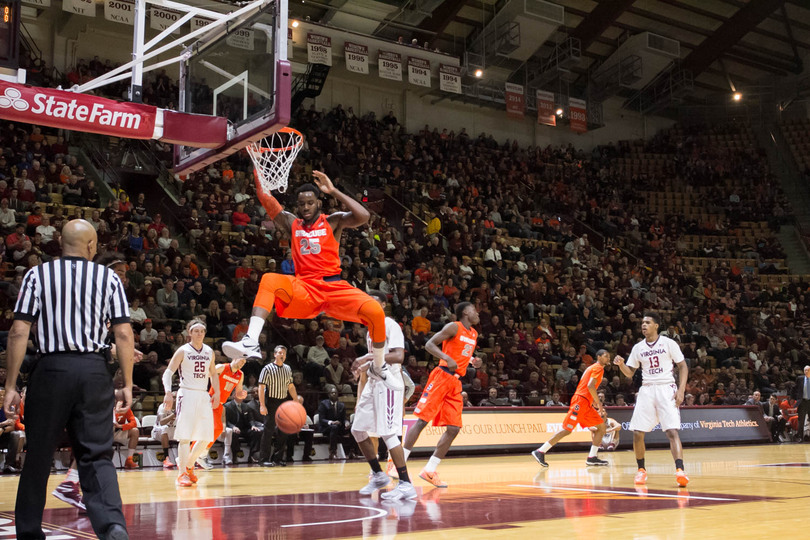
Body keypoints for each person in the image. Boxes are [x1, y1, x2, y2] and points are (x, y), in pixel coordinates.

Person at [3, 218, 134, 540]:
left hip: (50, 370)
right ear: (91, 246)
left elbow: (19, 330)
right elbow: (124, 333)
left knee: (38, 454)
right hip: (92, 372)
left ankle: (31, 532)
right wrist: (128, 383)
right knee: (96, 455)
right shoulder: (108, 278)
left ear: (61, 243)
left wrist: (10, 385)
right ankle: (112, 527)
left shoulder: (37, 274)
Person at [221, 171, 389, 381]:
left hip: (334, 286)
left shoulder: (333, 221)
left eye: (310, 203)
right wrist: (256, 168)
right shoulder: (293, 223)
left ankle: (379, 366)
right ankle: (250, 341)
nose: (306, 207)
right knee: (269, 280)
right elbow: (265, 197)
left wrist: (334, 190)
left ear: (319, 203)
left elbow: (363, 216)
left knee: (375, 310)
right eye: (302, 204)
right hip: (305, 289)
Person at [401, 302, 482, 488]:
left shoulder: (474, 334)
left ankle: (430, 470)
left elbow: (460, 352)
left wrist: (473, 361)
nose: (477, 312)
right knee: (422, 420)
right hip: (442, 376)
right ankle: (398, 464)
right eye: (474, 309)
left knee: (454, 428)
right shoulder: (454, 326)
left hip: (455, 382)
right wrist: (446, 358)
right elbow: (429, 344)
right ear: (464, 312)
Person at [351, 291, 416, 500]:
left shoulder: (390, 324)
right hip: (373, 381)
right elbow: (376, 357)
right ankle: (378, 475)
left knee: (389, 434)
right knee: (358, 429)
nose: (369, 306)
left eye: (373, 302)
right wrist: (362, 362)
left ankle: (406, 483)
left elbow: (398, 356)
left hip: (389, 382)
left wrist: (368, 359)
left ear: (383, 305)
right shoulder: (371, 330)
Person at [613, 312, 689, 487]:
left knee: (672, 431)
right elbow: (630, 374)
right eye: (642, 322)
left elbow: (683, 366)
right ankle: (641, 471)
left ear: (656, 325)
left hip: (666, 388)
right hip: (647, 390)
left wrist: (681, 390)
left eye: (647, 322)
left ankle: (680, 471)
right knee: (638, 432)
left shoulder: (669, 343)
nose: (643, 325)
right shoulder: (638, 348)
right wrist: (621, 365)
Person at [161, 319, 219, 487]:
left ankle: (188, 465)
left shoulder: (209, 351)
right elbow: (168, 373)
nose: (199, 333)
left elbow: (213, 374)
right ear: (190, 333)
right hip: (186, 394)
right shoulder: (183, 350)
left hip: (203, 395)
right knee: (185, 437)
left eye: (202, 331)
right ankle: (181, 475)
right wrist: (168, 393)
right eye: (196, 331)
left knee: (206, 437)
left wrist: (217, 392)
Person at [531, 350, 612, 467]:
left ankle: (592, 457)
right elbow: (590, 386)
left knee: (601, 427)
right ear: (598, 357)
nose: (608, 358)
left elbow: (587, 386)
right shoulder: (598, 368)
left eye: (609, 356)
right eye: (606, 356)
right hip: (581, 401)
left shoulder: (593, 368)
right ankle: (540, 451)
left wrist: (593, 400)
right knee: (567, 429)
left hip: (586, 402)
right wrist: (598, 403)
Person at [191, 356, 246, 467]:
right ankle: (198, 456)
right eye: (241, 360)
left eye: (244, 362)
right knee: (213, 429)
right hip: (209, 400)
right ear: (234, 358)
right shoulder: (222, 367)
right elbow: (206, 375)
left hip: (220, 404)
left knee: (216, 429)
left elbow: (238, 392)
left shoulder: (240, 374)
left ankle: (197, 455)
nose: (242, 363)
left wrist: (242, 394)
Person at [258, 345, 298, 467]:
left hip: (283, 401)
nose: (282, 355)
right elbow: (261, 387)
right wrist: (262, 405)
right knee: (268, 430)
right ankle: (263, 459)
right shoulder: (267, 368)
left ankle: (278, 458)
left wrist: (295, 399)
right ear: (275, 354)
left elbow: (290, 386)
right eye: (280, 353)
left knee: (283, 431)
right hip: (271, 401)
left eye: (284, 354)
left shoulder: (287, 368)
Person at [226, 388, 265, 463]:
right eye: (239, 394)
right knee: (233, 433)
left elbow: (251, 419)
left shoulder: (246, 406)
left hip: (244, 428)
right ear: (234, 395)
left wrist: (253, 425)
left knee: (256, 432)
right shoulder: (227, 406)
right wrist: (233, 427)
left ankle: (253, 455)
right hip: (234, 428)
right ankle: (235, 455)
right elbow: (226, 421)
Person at [152, 391, 178, 468]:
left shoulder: (181, 407)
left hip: (173, 430)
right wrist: (174, 414)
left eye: (177, 397)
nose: (175, 399)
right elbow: (162, 422)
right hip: (158, 432)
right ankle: (166, 458)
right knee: (165, 428)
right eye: (173, 397)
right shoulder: (163, 406)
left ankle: (190, 459)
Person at [793, 365, 810, 442]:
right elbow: (794, 388)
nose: (806, 371)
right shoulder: (800, 379)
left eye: (808, 370)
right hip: (802, 401)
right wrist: (794, 398)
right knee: (801, 420)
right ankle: (800, 437)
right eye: (805, 370)